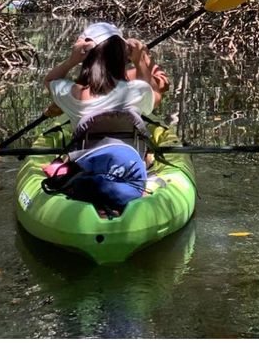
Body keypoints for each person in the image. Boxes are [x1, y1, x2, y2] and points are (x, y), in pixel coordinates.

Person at [41, 22, 169, 217]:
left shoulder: (71, 94)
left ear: (85, 56)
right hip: (129, 169)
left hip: (87, 167)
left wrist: (71, 61)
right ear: (120, 57)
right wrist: (141, 60)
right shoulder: (136, 91)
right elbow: (154, 95)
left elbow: (49, 81)